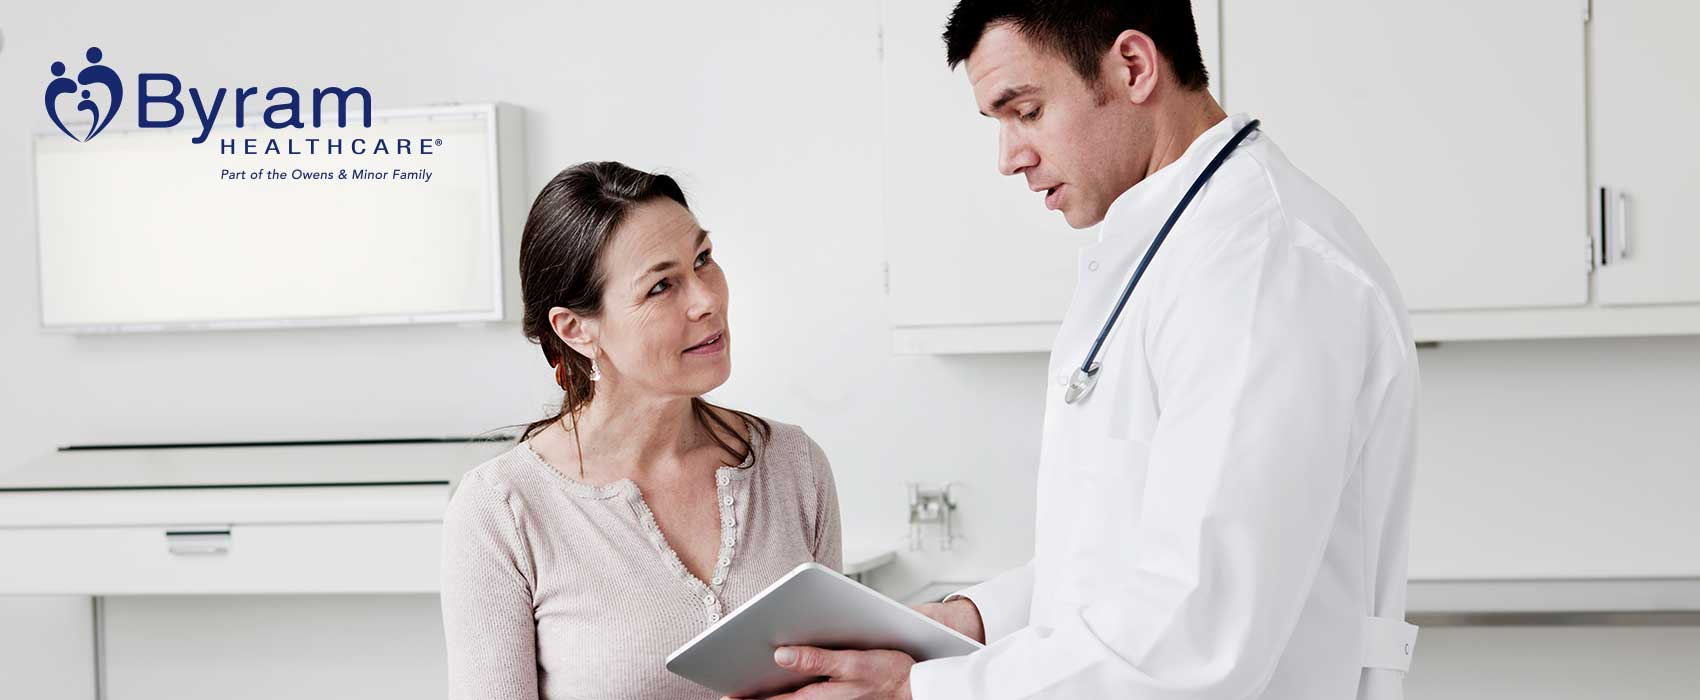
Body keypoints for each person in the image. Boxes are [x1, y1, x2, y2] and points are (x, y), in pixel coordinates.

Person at [754, 2, 1419, 698]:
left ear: (1133, 66)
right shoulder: (1170, 247)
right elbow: (1118, 561)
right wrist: (971, 620)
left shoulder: (1263, 267)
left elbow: (1197, 633)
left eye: (1026, 112)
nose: (1010, 158)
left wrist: (917, 690)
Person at [442, 161, 843, 699]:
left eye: (703, 260)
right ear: (576, 328)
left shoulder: (793, 464)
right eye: (661, 286)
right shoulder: (503, 510)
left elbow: (839, 682)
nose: (706, 300)